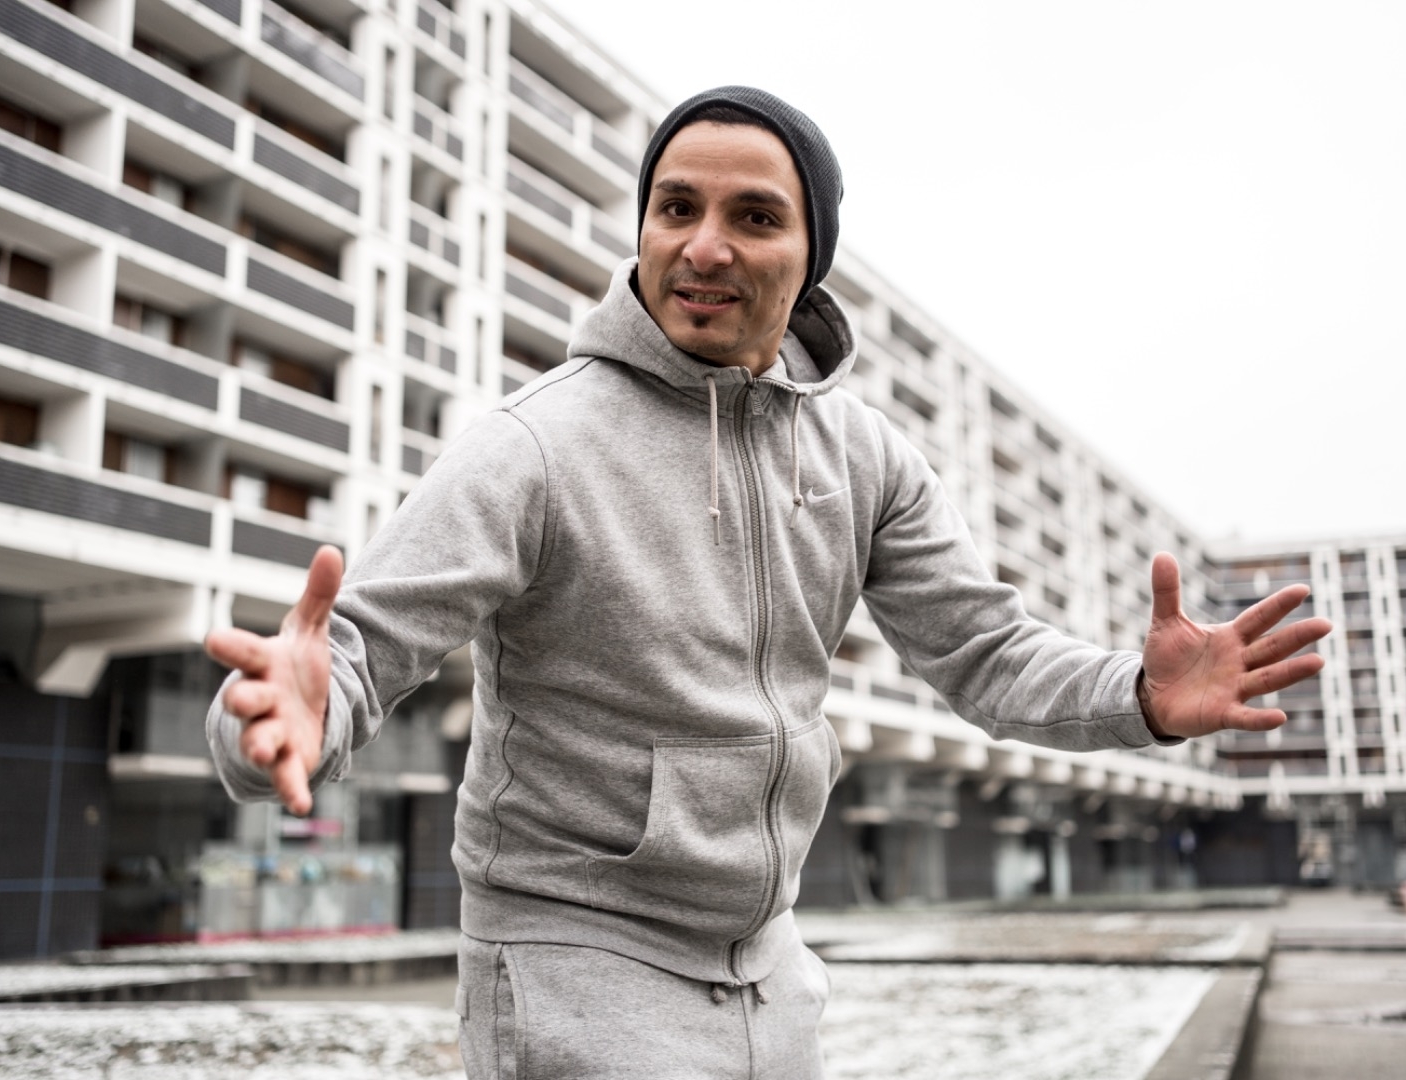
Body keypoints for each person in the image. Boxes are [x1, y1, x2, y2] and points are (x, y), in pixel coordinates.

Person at [205, 86, 1331, 1079]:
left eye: (753, 217)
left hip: (771, 974)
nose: (704, 247)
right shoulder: (535, 447)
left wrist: (1137, 696)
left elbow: (986, 655)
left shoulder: (865, 457)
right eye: (676, 208)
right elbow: (352, 653)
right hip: (571, 967)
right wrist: (280, 718)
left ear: (811, 254)